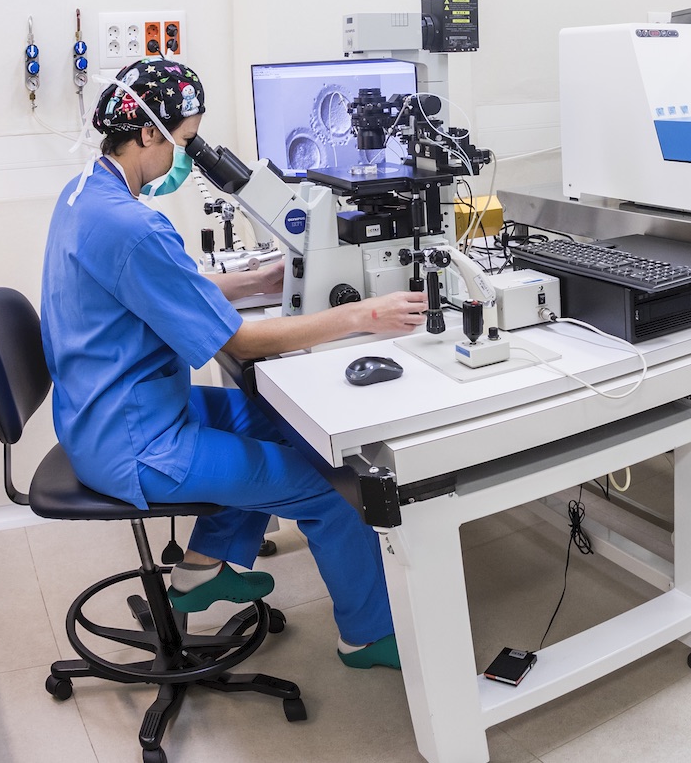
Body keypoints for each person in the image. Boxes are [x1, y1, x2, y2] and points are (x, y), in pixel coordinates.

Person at [40, 58, 426, 669]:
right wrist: (362, 316)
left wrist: (256, 279)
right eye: (185, 140)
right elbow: (242, 344)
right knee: (328, 491)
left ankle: (200, 571)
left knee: (278, 422)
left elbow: (158, 288)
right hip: (136, 442)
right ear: (148, 133)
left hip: (109, 409)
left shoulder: (86, 193)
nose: (188, 157)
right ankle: (368, 635)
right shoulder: (134, 226)